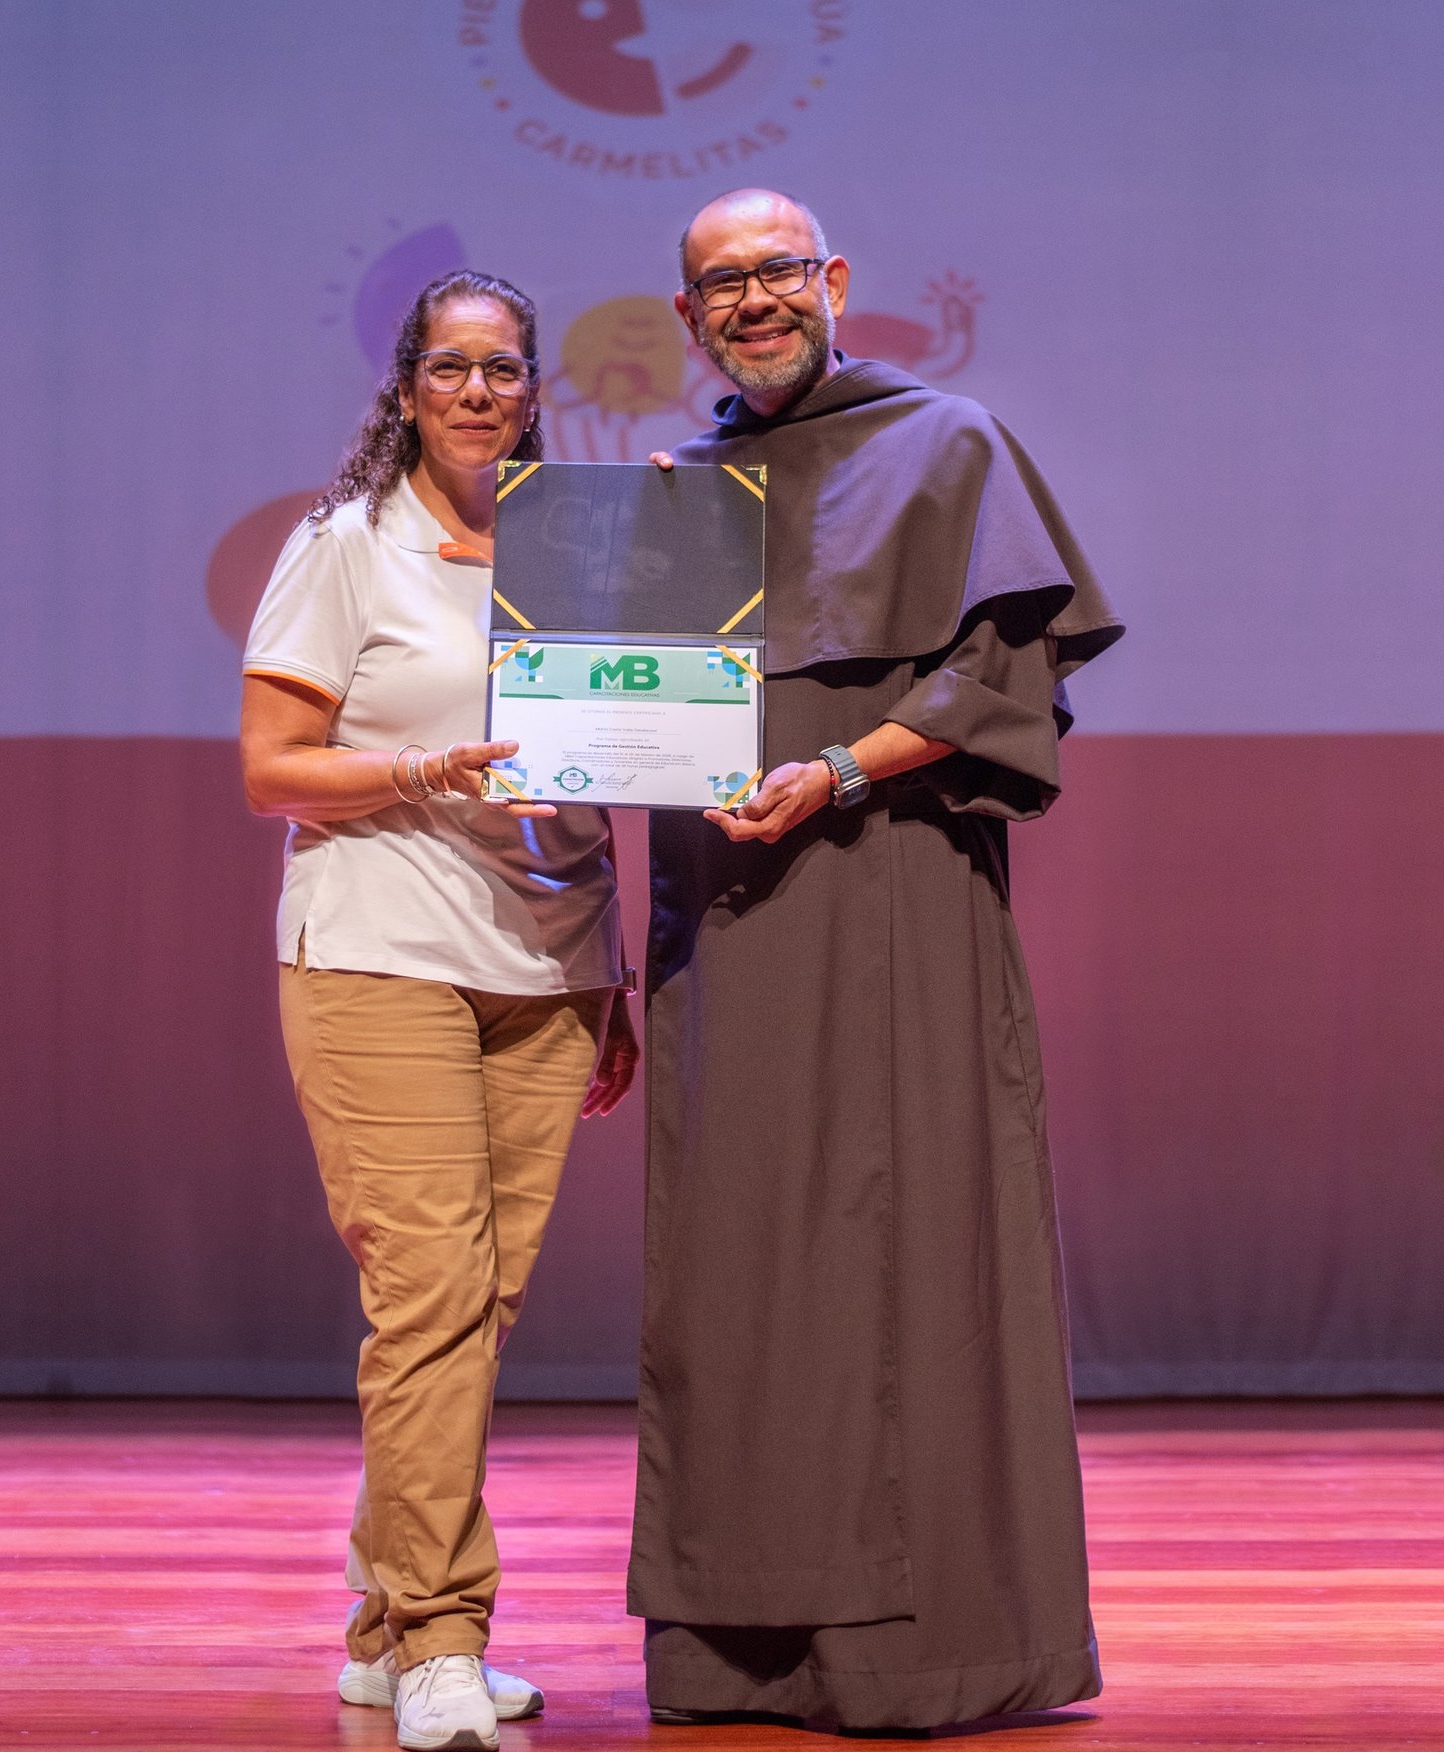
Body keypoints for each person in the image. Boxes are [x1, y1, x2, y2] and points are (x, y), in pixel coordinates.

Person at [627, 190, 1124, 1734]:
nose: (754, 300)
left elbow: (1001, 678)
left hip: (893, 893)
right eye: (722, 283)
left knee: (908, 1251)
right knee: (739, 1272)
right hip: (725, 918)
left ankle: (932, 1649)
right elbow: (620, 709)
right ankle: (738, 1654)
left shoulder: (948, 445)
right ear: (690, 314)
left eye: (779, 270)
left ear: (833, 279)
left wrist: (841, 772)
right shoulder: (682, 490)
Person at [240, 269, 638, 1752]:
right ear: (407, 387)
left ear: (537, 390)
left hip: (548, 967)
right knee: (431, 1301)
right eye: (451, 367)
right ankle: (443, 1645)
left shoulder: (577, 548)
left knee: (474, 1313)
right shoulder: (347, 542)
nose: (478, 391)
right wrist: (422, 770)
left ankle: (378, 1630)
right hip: (380, 952)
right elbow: (272, 769)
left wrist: (610, 975)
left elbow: (605, 773)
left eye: (505, 368)